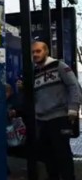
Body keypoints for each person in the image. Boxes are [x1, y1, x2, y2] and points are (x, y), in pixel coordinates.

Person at [32, 40, 80, 180]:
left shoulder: (59, 66)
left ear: (46, 52)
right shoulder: (34, 73)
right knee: (47, 155)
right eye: (33, 52)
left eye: (38, 51)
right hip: (42, 119)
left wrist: (73, 108)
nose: (35, 54)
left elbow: (74, 86)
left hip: (59, 117)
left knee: (62, 154)